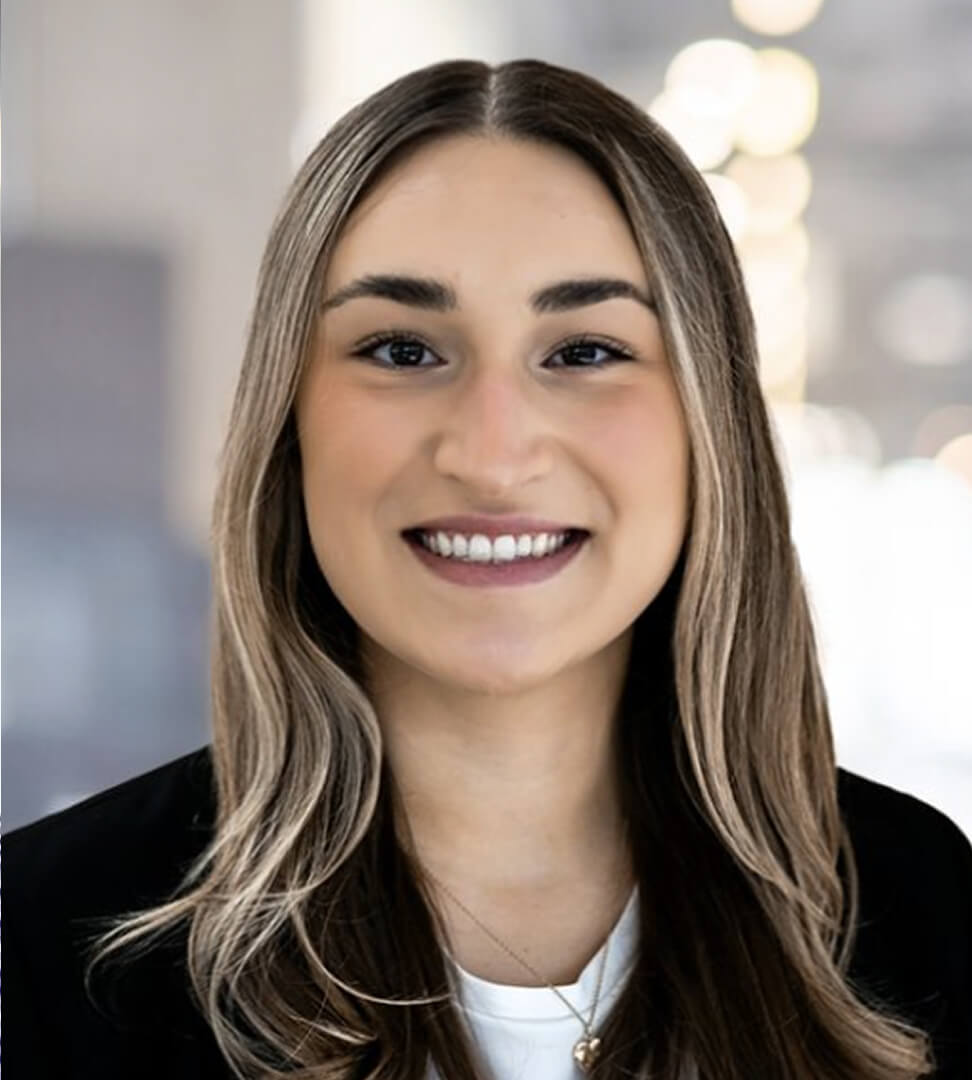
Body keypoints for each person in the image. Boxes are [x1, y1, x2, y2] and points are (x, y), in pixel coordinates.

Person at [3, 57, 970, 1080]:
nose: (493, 452)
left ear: (707, 424)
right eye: (404, 351)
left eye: (585, 352)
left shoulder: (919, 907)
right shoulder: (41, 944)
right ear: (291, 424)